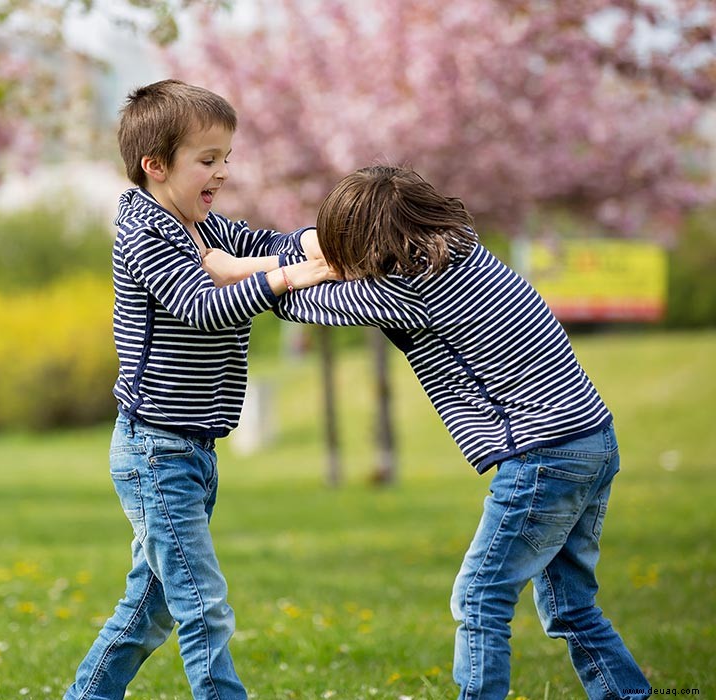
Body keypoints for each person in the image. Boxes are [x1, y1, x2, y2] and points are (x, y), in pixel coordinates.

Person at [209, 164, 651, 699]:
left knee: (480, 597)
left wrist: (234, 274)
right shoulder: (461, 249)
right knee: (570, 604)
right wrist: (278, 259)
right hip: (591, 439)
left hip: (544, 454)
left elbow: (305, 303)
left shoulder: (413, 289)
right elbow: (326, 273)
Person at [63, 79, 334, 700]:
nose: (221, 173)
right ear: (155, 166)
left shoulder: (201, 224)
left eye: (226, 160)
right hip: (155, 449)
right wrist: (286, 279)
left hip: (192, 449)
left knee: (152, 607)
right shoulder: (143, 232)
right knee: (202, 602)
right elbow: (199, 306)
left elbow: (272, 243)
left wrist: (334, 242)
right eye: (207, 161)